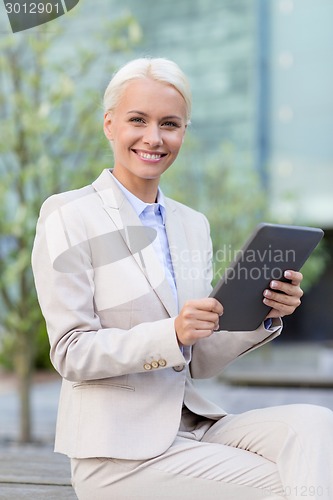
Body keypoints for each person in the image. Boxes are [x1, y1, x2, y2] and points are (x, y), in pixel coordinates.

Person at [31, 57, 333, 500]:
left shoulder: (192, 225)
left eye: (169, 124)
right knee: (288, 483)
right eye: (138, 120)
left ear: (183, 133)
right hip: (118, 456)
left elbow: (200, 361)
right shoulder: (69, 215)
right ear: (110, 125)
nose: (154, 137)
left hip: (193, 427)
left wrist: (262, 316)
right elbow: (70, 352)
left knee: (317, 425)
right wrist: (170, 332)